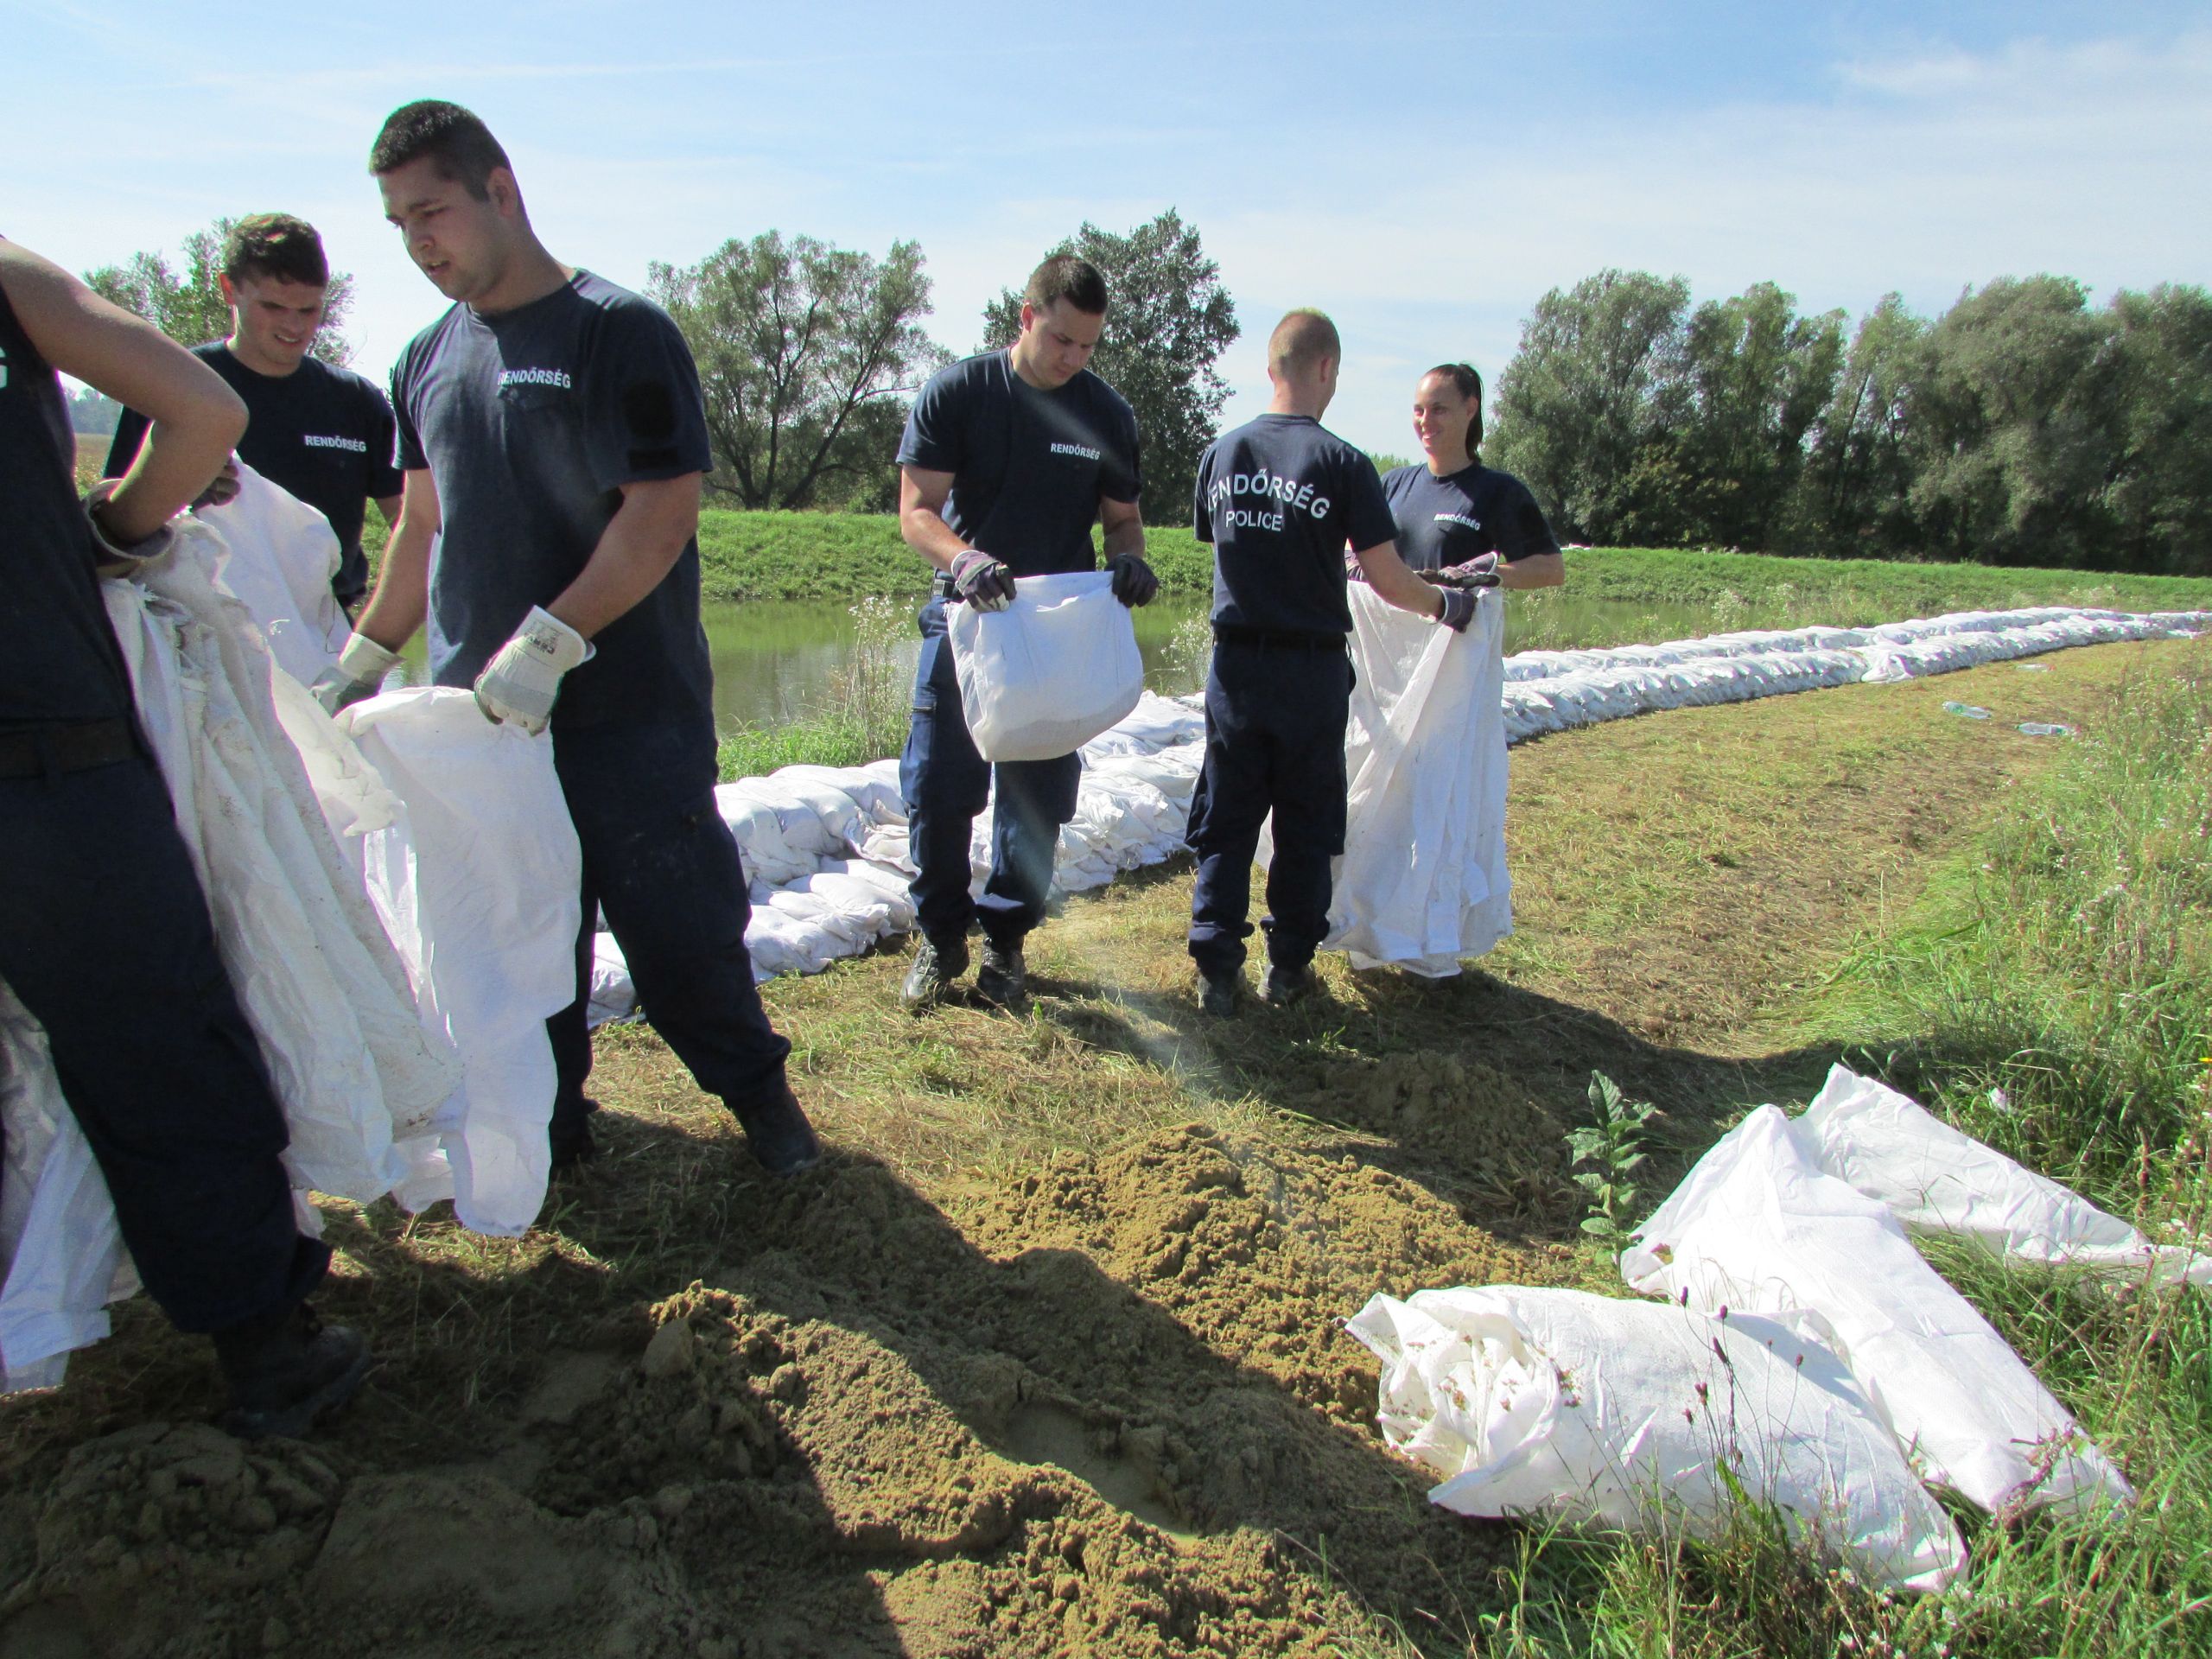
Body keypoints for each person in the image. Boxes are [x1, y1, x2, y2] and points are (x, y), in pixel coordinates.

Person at [315, 99, 817, 1176]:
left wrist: (549, 645)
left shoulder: (615, 330)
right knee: (514, 942)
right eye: (399, 224)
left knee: (678, 929)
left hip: (626, 715)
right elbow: (419, 526)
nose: (418, 244)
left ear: (501, 191)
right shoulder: (423, 359)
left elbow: (660, 512)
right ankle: (554, 1134)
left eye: (433, 213)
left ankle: (763, 1107)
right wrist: (360, 660)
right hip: (483, 729)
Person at [0, 236, 368, 1437]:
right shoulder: (10, 277)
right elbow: (203, 412)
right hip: (45, 743)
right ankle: (266, 1346)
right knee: (160, 1043)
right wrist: (109, 530)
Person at [1186, 311, 1474, 1016]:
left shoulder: (1221, 454)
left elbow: (1222, 550)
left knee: (1228, 816)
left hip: (1234, 668)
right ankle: (1287, 970)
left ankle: (1216, 972)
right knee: (1306, 821)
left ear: (1271, 368)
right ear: (1326, 369)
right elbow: (1389, 580)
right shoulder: (1344, 464)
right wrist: (1447, 605)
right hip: (1309, 671)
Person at [893, 254, 1155, 1013]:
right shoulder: (959, 393)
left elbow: (1123, 519)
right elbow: (916, 511)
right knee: (938, 787)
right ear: (1027, 316)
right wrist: (964, 558)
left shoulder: (1106, 414)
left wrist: (1130, 561)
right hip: (969, 618)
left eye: (1088, 346)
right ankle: (941, 936)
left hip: (1055, 630)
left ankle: (1006, 939)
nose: (1073, 358)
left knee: (1036, 800)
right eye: (1061, 340)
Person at [104, 213, 403, 613]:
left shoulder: (357, 400)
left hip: (324, 626)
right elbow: (112, 530)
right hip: (199, 623)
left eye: (309, 310)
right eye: (273, 306)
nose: (294, 326)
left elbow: (411, 524)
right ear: (230, 289)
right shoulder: (173, 385)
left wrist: (377, 635)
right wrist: (174, 490)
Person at [1379, 363, 1565, 593]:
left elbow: (1552, 569)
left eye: (1438, 409)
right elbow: (1355, 550)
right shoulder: (1391, 484)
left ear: (1470, 409)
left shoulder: (1500, 491)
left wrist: (1476, 575)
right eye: (1419, 411)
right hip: (1389, 616)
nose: (1425, 420)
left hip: (1457, 616)